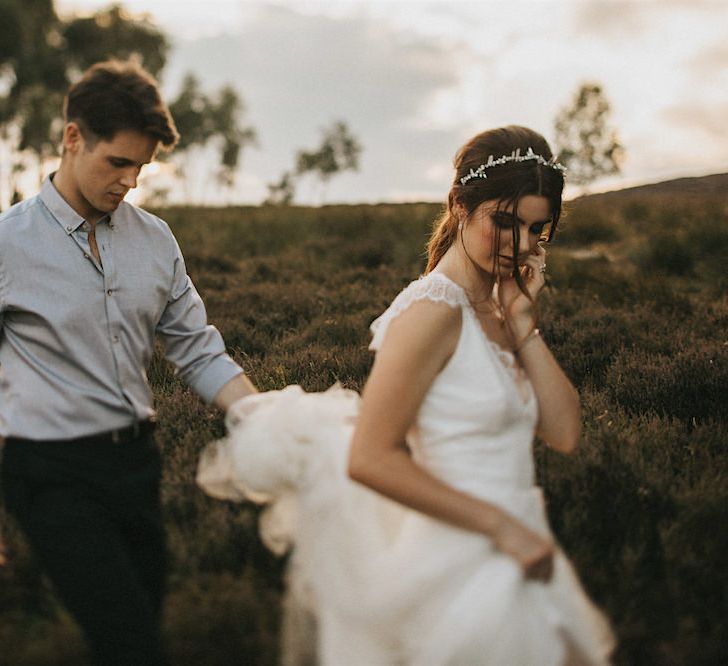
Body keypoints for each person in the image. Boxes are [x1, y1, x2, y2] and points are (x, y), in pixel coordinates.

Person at [197, 125, 615, 664]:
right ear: (460, 207)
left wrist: (523, 323)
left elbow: (563, 431)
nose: (521, 245)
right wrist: (499, 527)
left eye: (539, 230)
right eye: (505, 223)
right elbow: (370, 457)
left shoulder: (495, 308)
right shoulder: (432, 311)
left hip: (520, 545)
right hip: (464, 556)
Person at [0, 60, 256, 665]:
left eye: (140, 167)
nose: (130, 182)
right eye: (118, 162)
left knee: (141, 626)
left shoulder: (157, 241)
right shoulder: (8, 245)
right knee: (129, 642)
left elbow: (196, 349)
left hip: (137, 463)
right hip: (48, 471)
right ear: (72, 138)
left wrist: (264, 415)